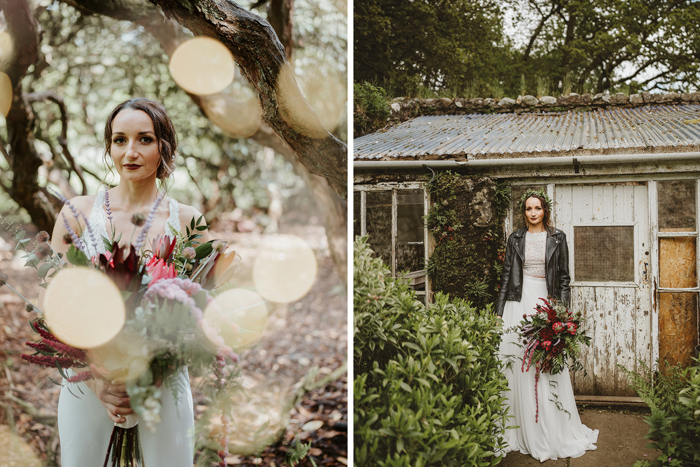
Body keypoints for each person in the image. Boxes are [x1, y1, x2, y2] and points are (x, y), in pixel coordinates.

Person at [48, 98, 208, 466]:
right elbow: (52, 306)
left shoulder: (188, 221)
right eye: (119, 140)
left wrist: (154, 369)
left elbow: (201, 315)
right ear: (109, 147)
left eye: (144, 139)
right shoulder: (76, 214)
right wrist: (98, 378)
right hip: (88, 381)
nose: (130, 151)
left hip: (161, 384)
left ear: (163, 147)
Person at [495, 189, 598, 462]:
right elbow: (507, 275)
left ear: (544, 211)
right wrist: (499, 310)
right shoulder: (515, 238)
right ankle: (518, 426)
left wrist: (560, 311)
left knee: (544, 361)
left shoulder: (557, 237)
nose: (532, 213)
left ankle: (551, 426)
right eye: (528, 209)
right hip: (518, 302)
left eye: (537, 208)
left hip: (545, 302)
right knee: (516, 361)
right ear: (523, 212)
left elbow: (564, 277)